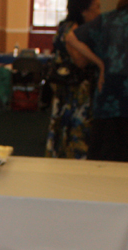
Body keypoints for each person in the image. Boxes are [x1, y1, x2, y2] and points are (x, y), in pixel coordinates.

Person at [66, 0, 128, 162]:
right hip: (114, 94)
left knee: (105, 154)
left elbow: (71, 38)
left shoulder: (108, 19)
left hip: (109, 94)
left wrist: (100, 64)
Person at [45, 0, 101, 159]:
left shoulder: (67, 27)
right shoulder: (73, 29)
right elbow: (80, 60)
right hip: (73, 89)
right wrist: (99, 60)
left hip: (68, 87)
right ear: (84, 10)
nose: (98, 13)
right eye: (96, 8)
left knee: (65, 126)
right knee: (73, 128)